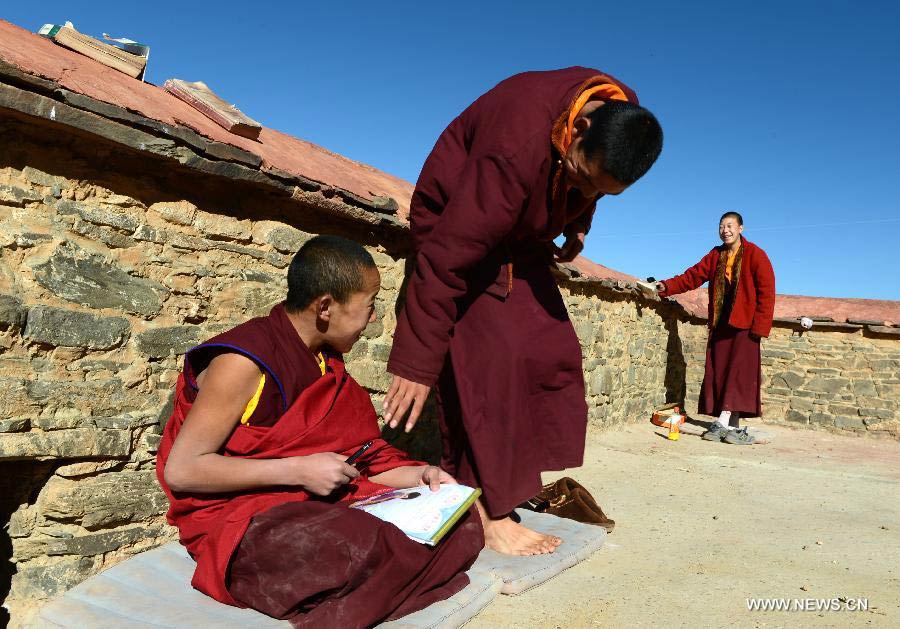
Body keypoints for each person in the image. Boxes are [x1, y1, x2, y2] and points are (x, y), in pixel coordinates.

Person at [381, 67, 664, 555]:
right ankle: (487, 512)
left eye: (602, 191)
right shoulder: (513, 145)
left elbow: (588, 184)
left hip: (525, 230)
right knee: (488, 361)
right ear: (579, 130)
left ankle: (508, 480)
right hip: (456, 220)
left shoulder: (620, 114)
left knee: (548, 348)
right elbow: (449, 255)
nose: (591, 193)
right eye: (585, 179)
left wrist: (578, 220)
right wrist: (415, 360)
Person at [156, 235, 484, 627]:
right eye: (369, 306)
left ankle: (370, 588)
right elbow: (184, 469)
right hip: (241, 519)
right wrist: (297, 470)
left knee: (461, 522)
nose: (375, 319)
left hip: (313, 507)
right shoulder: (243, 362)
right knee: (356, 547)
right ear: (326, 307)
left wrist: (423, 475)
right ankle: (377, 588)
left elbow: (363, 459)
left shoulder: (324, 361)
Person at [655, 212, 776, 445]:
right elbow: (692, 276)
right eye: (721, 226)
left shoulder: (756, 255)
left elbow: (767, 292)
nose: (725, 230)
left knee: (737, 374)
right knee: (720, 372)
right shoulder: (715, 255)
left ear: (741, 228)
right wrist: (665, 286)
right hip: (721, 323)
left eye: (730, 225)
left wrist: (759, 328)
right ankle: (733, 427)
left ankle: (722, 421)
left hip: (745, 326)